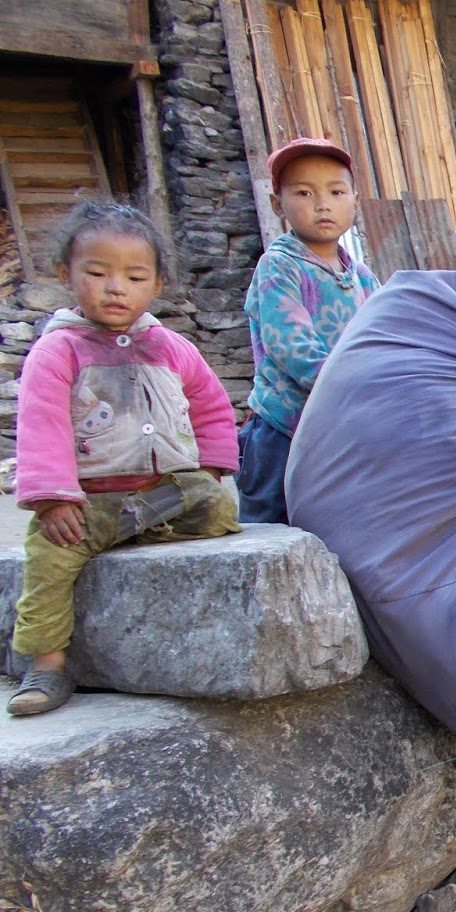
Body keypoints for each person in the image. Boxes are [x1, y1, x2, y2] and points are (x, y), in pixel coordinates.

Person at [7, 201, 241, 717]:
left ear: (156, 285)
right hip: (90, 502)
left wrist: (214, 465)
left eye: (135, 276)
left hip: (163, 494)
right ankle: (44, 663)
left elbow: (209, 403)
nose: (117, 288)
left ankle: (148, 529)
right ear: (65, 273)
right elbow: (41, 422)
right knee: (49, 558)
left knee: (219, 509)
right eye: (97, 273)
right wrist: (52, 499)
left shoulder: (172, 346)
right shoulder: (59, 349)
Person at [239, 136, 378, 523]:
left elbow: (387, 339)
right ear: (276, 204)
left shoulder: (364, 280)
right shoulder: (279, 267)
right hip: (283, 431)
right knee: (269, 536)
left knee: (334, 529)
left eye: (336, 191)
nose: (322, 204)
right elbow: (293, 347)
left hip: (341, 432)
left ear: (354, 199)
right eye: (303, 192)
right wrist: (360, 387)